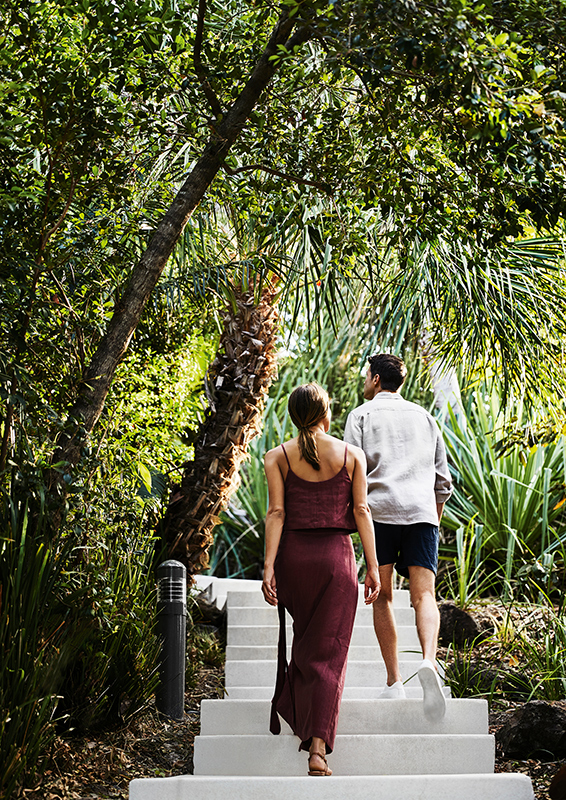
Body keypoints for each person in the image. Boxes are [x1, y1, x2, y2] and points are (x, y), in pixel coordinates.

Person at [262, 382, 381, 776]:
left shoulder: (276, 456)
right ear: (326, 413)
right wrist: (374, 567)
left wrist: (267, 567)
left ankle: (302, 718)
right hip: (336, 561)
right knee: (329, 652)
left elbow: (276, 514)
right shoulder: (351, 455)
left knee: (309, 644)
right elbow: (361, 511)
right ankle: (317, 749)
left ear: (294, 416)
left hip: (293, 561)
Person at [344, 353, 453, 722]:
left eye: (365, 377)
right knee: (425, 595)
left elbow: (352, 472)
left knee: (383, 595)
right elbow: (443, 482)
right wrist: (430, 521)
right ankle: (427, 661)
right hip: (422, 514)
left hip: (379, 515)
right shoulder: (425, 418)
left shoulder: (361, 415)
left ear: (375, 379)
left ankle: (394, 682)